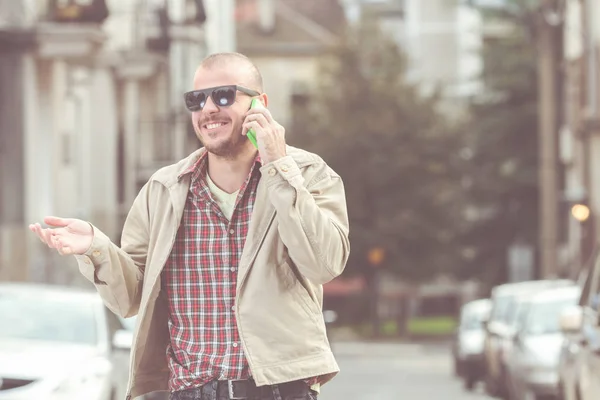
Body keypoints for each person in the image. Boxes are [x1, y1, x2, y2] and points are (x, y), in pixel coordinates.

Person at [29, 52, 350, 400]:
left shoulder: (306, 174)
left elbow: (324, 264)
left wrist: (277, 165)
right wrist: (96, 247)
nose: (208, 109)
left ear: (261, 104)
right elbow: (132, 298)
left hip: (279, 390)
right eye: (197, 100)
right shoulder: (163, 190)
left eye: (224, 95)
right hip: (190, 391)